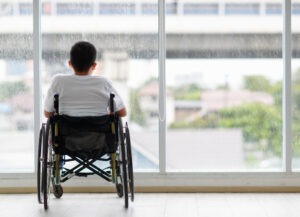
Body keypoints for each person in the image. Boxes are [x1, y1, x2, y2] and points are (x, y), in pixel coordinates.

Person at [44, 41, 127, 118]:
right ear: (94, 65)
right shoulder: (104, 82)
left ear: (70, 64)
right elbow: (122, 112)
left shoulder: (58, 81)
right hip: (99, 132)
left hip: (66, 132)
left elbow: (47, 113)